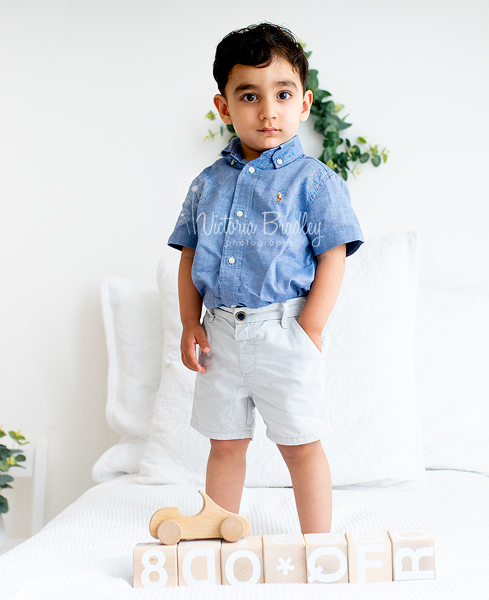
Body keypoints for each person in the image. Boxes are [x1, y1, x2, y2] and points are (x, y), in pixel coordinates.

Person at [167, 22, 363, 534]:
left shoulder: (316, 182)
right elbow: (189, 255)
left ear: (304, 102)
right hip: (220, 333)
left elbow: (334, 256)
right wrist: (191, 321)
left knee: (300, 442)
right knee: (225, 442)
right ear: (225, 107)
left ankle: (317, 542)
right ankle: (218, 530)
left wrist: (310, 328)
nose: (267, 110)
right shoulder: (206, 184)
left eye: (282, 93)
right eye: (249, 96)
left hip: (284, 331)